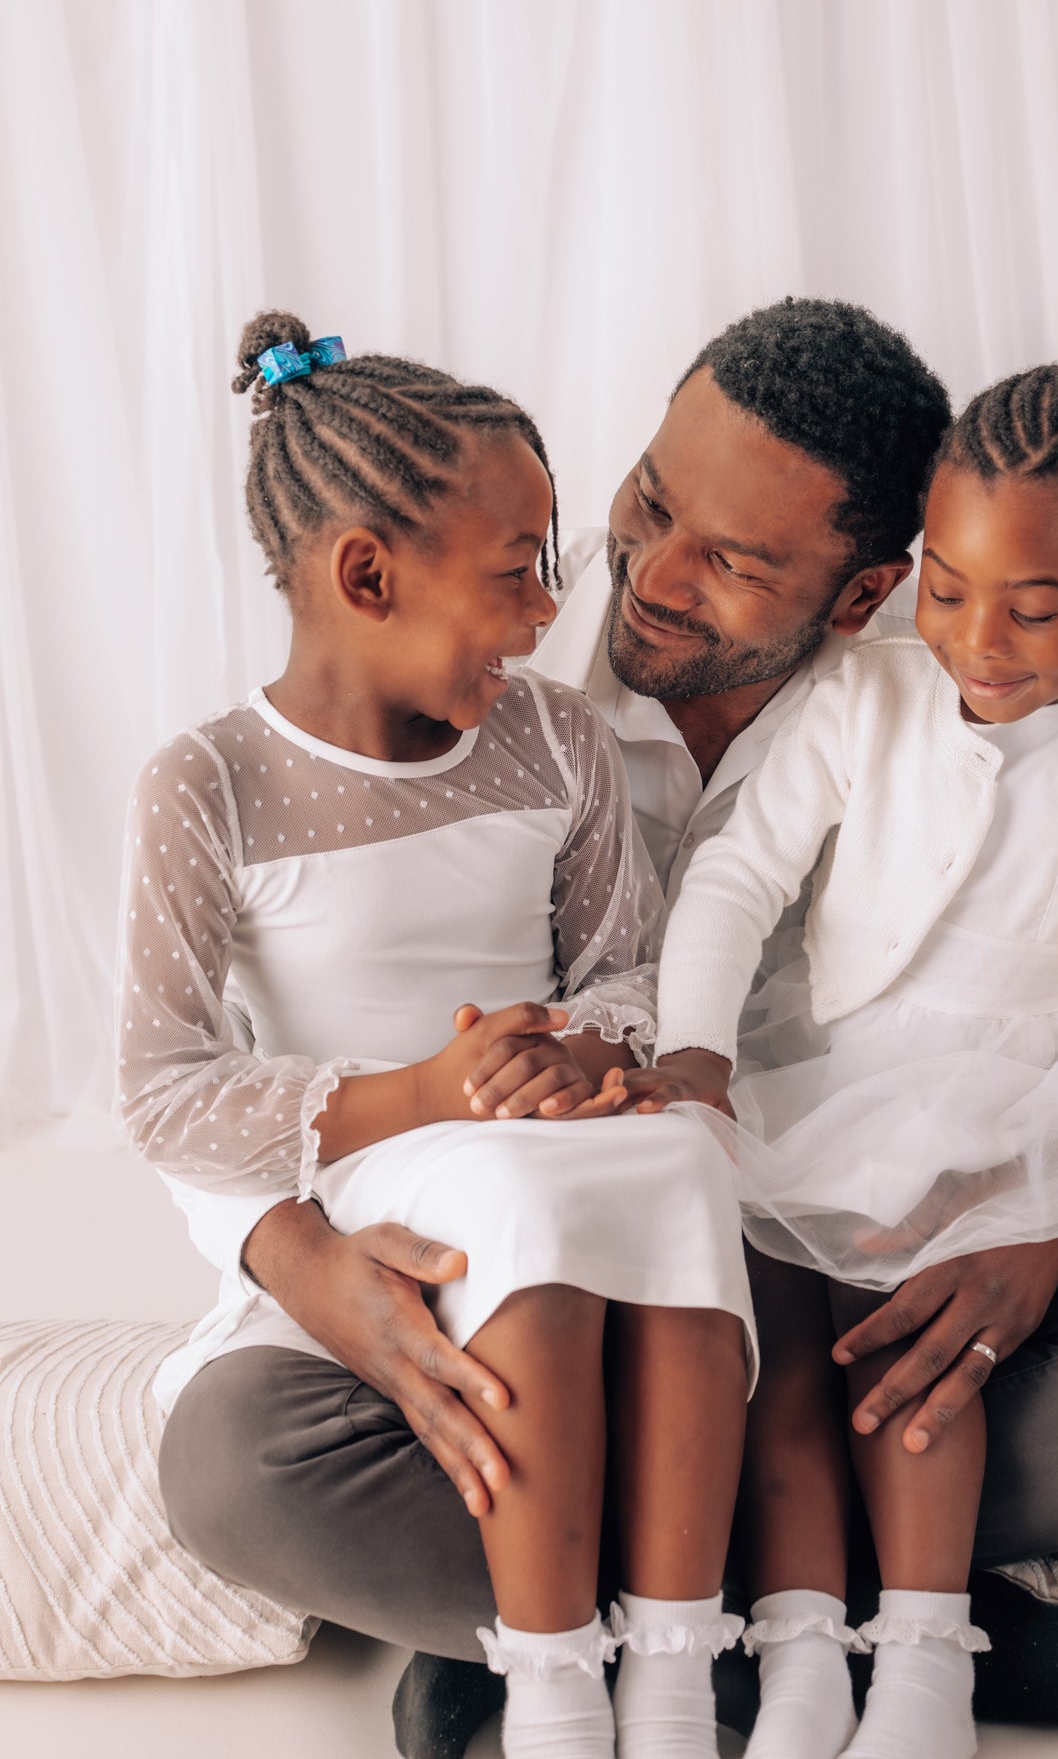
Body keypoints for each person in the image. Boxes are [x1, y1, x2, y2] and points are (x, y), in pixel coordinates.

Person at [154, 301, 1058, 1758]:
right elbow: (220, 1049)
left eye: (735, 560)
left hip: (852, 1256)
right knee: (236, 1468)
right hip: (530, 1273)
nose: (647, 569)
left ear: (863, 590)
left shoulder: (935, 699)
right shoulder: (477, 670)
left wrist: (1050, 1220)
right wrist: (284, 1247)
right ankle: (782, 1622)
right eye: (648, 498)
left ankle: (636, 1619)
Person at [651, 347, 1058, 1759]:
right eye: (945, 591)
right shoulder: (866, 695)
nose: (975, 639)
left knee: (923, 1356)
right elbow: (734, 879)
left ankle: (922, 1659)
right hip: (831, 1085)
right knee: (767, 1335)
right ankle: (791, 1645)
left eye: (1032, 608)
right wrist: (697, 1055)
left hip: (1050, 1117)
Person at [121, 312, 757, 1759]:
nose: (549, 612)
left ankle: (659, 1684)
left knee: (686, 1170)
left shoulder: (553, 744)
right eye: (513, 573)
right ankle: (563, 1672)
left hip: (559, 1165)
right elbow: (161, 1093)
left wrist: (587, 1055)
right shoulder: (209, 786)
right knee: (248, 1461)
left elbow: (628, 973)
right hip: (377, 1207)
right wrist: (420, 1091)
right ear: (366, 574)